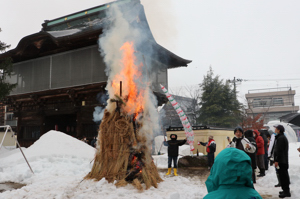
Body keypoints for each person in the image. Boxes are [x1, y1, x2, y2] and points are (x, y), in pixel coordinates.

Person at [272, 124, 291, 198]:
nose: (275, 130)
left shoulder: (281, 138)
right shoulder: (280, 137)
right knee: (282, 176)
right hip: (282, 160)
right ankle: (285, 190)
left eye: (276, 129)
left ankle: (286, 191)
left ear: (279, 130)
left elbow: (279, 151)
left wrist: (277, 160)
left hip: (282, 161)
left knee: (283, 176)